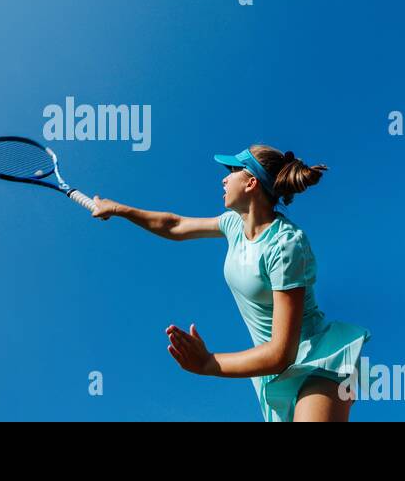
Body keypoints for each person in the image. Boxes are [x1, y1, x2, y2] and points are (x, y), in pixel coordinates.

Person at [90, 144, 370, 422]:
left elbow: (282, 352)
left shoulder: (286, 245)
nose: (224, 178)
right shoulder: (232, 224)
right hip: (269, 374)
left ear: (251, 182)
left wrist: (209, 363)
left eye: (233, 170)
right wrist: (117, 208)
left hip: (316, 361)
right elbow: (173, 225)